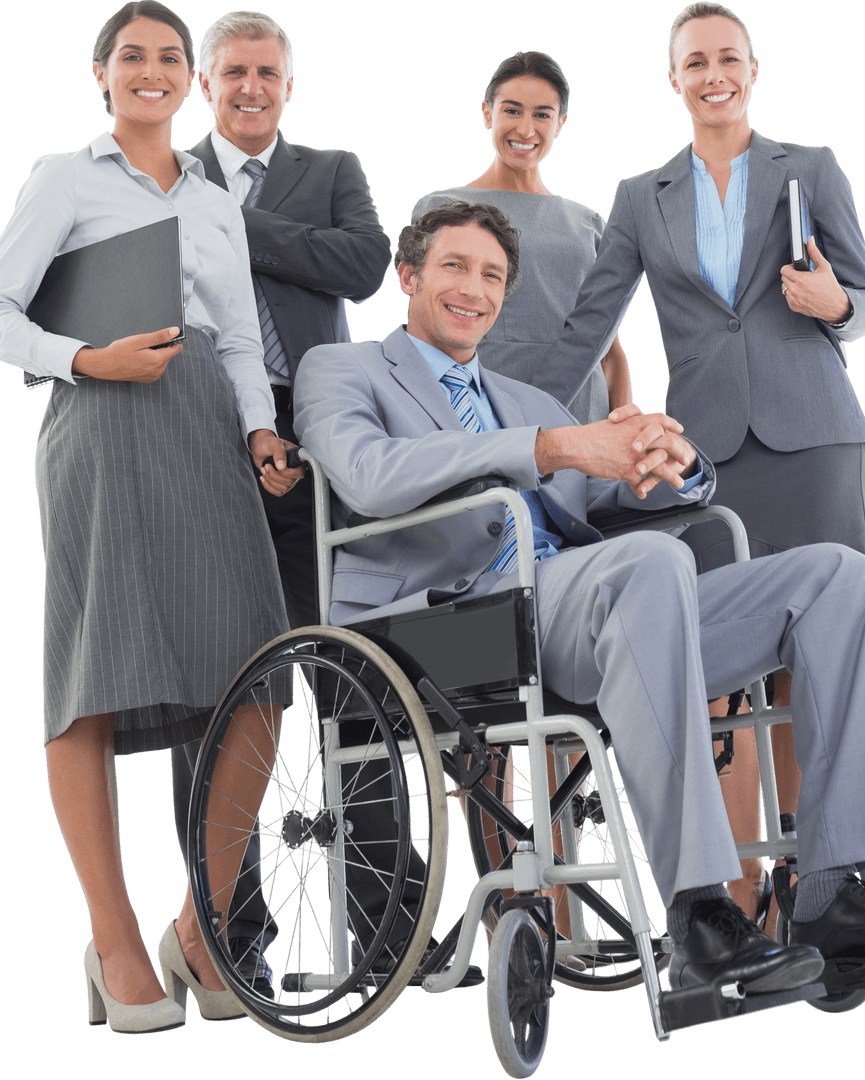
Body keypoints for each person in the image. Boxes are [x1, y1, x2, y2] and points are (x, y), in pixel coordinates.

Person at [292, 201, 865, 993]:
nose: (473, 289)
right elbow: (369, 474)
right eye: (454, 266)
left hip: (589, 610)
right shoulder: (343, 369)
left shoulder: (529, 401)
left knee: (837, 577)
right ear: (410, 275)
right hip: (449, 618)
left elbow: (604, 499)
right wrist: (557, 446)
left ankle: (836, 897)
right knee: (649, 565)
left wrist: (672, 463)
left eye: (491, 276)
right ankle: (698, 911)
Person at [535, 1, 865, 929]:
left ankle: (834, 888)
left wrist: (832, 303)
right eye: (695, 61)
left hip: (813, 436)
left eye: (727, 58)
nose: (713, 75)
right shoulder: (638, 197)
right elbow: (589, 325)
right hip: (707, 461)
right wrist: (495, 413)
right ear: (672, 77)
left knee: (831, 637)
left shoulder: (809, 168)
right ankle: (749, 902)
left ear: (753, 67)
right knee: (724, 658)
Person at [0, 2, 292, 1032]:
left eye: (172, 57)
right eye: (135, 56)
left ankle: (202, 929)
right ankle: (116, 944)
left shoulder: (214, 199)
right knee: (92, 675)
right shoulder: (61, 178)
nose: (154, 71)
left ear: (190, 80)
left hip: (207, 429)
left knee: (258, 673)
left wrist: (261, 433)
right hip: (101, 426)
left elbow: (248, 338)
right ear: (101, 74)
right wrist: (82, 359)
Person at [169, 7, 391, 999]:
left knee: (349, 670)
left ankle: (379, 922)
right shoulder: (159, 172)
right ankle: (232, 929)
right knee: (213, 692)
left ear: (286, 84)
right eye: (233, 74)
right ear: (205, 84)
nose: (250, 88)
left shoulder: (332, 168)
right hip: (203, 442)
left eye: (266, 72)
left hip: (319, 443)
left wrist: (228, 226)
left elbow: (365, 266)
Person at [410, 50, 630, 424]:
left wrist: (624, 423)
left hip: (580, 412)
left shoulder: (588, 222)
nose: (526, 130)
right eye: (512, 110)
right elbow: (426, 329)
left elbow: (608, 348)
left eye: (542, 114)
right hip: (483, 407)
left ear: (560, 123)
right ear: (487, 113)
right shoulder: (442, 206)